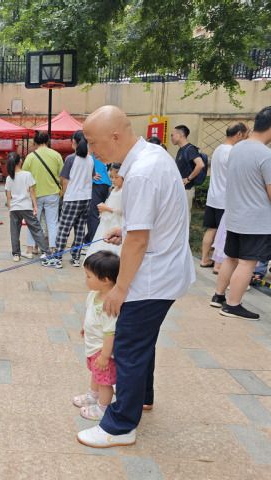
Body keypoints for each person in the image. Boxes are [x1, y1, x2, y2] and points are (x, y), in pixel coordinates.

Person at [77, 105, 194, 448]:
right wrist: (125, 232)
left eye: (93, 142)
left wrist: (120, 289)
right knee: (142, 342)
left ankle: (120, 425)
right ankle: (143, 398)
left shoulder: (141, 172)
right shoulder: (153, 157)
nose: (92, 151)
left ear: (115, 136)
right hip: (164, 269)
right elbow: (143, 227)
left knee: (127, 346)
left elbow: (140, 240)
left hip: (153, 278)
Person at [211, 107, 271, 320]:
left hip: (234, 216)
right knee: (247, 263)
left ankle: (218, 296)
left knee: (231, 258)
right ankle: (233, 305)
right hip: (255, 220)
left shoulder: (237, 148)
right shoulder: (265, 155)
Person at [72, 251, 120, 421]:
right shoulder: (94, 294)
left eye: (89, 276)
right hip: (93, 346)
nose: (85, 279)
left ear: (105, 279)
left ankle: (103, 408)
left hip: (102, 350)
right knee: (95, 373)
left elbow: (110, 333)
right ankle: (93, 395)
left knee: (105, 382)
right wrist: (85, 327)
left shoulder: (109, 304)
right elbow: (90, 314)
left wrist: (105, 356)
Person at [200, 123, 248, 268]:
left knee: (211, 229)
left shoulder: (218, 149)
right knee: (223, 234)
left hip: (212, 198)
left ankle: (204, 259)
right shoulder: (233, 152)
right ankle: (218, 265)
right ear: (239, 134)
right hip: (225, 200)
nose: (247, 137)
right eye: (246, 134)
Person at [44, 132, 93, 269]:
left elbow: (64, 180)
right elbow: (91, 175)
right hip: (86, 198)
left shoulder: (71, 159)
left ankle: (57, 258)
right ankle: (76, 258)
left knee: (64, 229)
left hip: (72, 198)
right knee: (80, 229)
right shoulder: (90, 159)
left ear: (74, 142)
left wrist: (64, 196)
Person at [22, 131, 63, 255]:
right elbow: (62, 175)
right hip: (53, 193)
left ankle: (31, 248)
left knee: (34, 223)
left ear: (35, 142)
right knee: (52, 222)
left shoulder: (30, 157)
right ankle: (52, 247)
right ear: (48, 141)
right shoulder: (56, 155)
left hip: (35, 195)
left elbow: (24, 176)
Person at [5, 152, 50, 262]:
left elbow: (8, 196)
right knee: (36, 229)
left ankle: (16, 254)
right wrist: (35, 206)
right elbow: (32, 192)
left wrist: (10, 209)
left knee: (14, 231)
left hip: (14, 208)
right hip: (26, 207)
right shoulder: (27, 175)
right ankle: (45, 251)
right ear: (20, 161)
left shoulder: (9, 178)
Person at [85, 163, 123, 259]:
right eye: (111, 177)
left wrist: (107, 208)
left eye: (116, 177)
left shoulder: (124, 191)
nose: (113, 180)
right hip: (106, 222)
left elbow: (123, 211)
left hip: (116, 224)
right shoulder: (114, 189)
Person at [171, 125, 204, 213]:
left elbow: (200, 164)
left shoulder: (190, 149)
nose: (171, 138)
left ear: (180, 135)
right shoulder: (181, 149)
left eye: (172, 135)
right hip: (181, 189)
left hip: (186, 190)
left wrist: (188, 179)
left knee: (184, 215)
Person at [85, 154, 112, 243]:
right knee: (96, 212)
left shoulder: (92, 151)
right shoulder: (99, 151)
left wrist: (91, 174)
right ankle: (89, 238)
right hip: (103, 183)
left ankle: (93, 241)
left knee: (93, 213)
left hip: (98, 183)